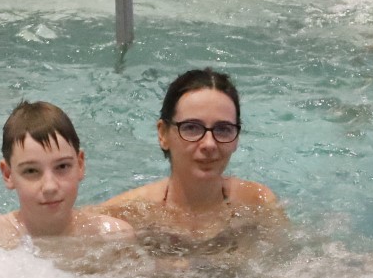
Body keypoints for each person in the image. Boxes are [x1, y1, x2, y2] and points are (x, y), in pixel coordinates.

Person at [101, 68, 281, 238]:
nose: (209, 144)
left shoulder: (258, 203)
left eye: (223, 129)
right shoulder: (124, 216)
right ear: (163, 134)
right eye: (192, 128)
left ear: (236, 138)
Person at [0, 101, 132, 246]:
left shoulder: (115, 237)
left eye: (62, 166)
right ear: (8, 174)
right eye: (31, 171)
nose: (50, 186)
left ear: (80, 165)